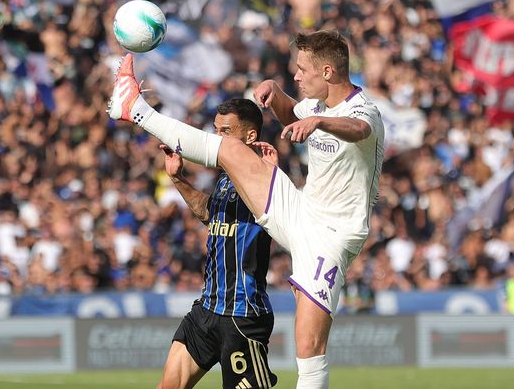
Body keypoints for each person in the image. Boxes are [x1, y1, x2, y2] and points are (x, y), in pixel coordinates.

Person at [109, 30, 384, 389]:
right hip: (300, 211)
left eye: (302, 70)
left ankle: (135, 109)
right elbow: (292, 116)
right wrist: (276, 93)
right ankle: (136, 110)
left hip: (330, 239)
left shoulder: (363, 111)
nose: (297, 76)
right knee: (233, 149)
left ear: (328, 72)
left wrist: (318, 123)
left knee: (309, 350)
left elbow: (357, 130)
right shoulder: (315, 107)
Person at [156, 98, 279, 389]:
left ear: (250, 136)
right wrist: (178, 179)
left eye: (226, 131)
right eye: (215, 130)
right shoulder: (225, 179)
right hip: (207, 310)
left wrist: (271, 175)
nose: (216, 139)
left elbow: (276, 212)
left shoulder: (266, 177)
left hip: (242, 316)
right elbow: (209, 214)